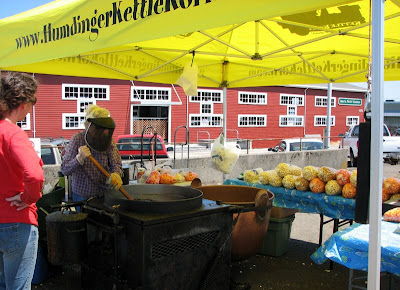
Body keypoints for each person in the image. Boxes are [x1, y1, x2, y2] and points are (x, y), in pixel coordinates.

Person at [0, 72, 44, 290]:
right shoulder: (14, 134)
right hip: (16, 222)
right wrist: (28, 197)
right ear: (24, 103)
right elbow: (34, 175)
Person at [61, 104, 123, 203]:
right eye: (97, 128)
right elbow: (64, 169)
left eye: (102, 128)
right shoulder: (77, 140)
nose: (100, 132)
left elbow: (116, 164)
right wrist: (79, 159)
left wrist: (116, 174)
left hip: (104, 193)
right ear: (88, 125)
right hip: (82, 195)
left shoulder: (107, 141)